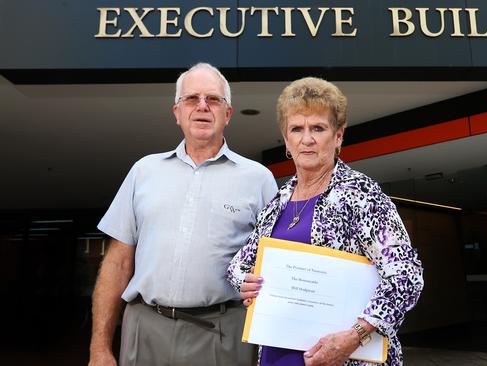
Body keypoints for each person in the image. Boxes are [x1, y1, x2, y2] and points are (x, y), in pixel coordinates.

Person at [88, 62, 277, 366]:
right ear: (176, 112)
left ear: (227, 114)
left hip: (223, 333)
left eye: (213, 99)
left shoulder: (259, 179)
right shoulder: (143, 171)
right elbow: (118, 262)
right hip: (144, 330)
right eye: (191, 99)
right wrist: (99, 348)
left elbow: (274, 266)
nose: (202, 106)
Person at [227, 77, 424, 366]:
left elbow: (406, 276)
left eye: (318, 128)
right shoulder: (278, 201)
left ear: (338, 136)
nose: (307, 139)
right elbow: (238, 265)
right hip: (278, 355)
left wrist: (356, 334)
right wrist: (245, 282)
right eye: (297, 129)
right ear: (286, 139)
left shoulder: (361, 194)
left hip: (345, 356)